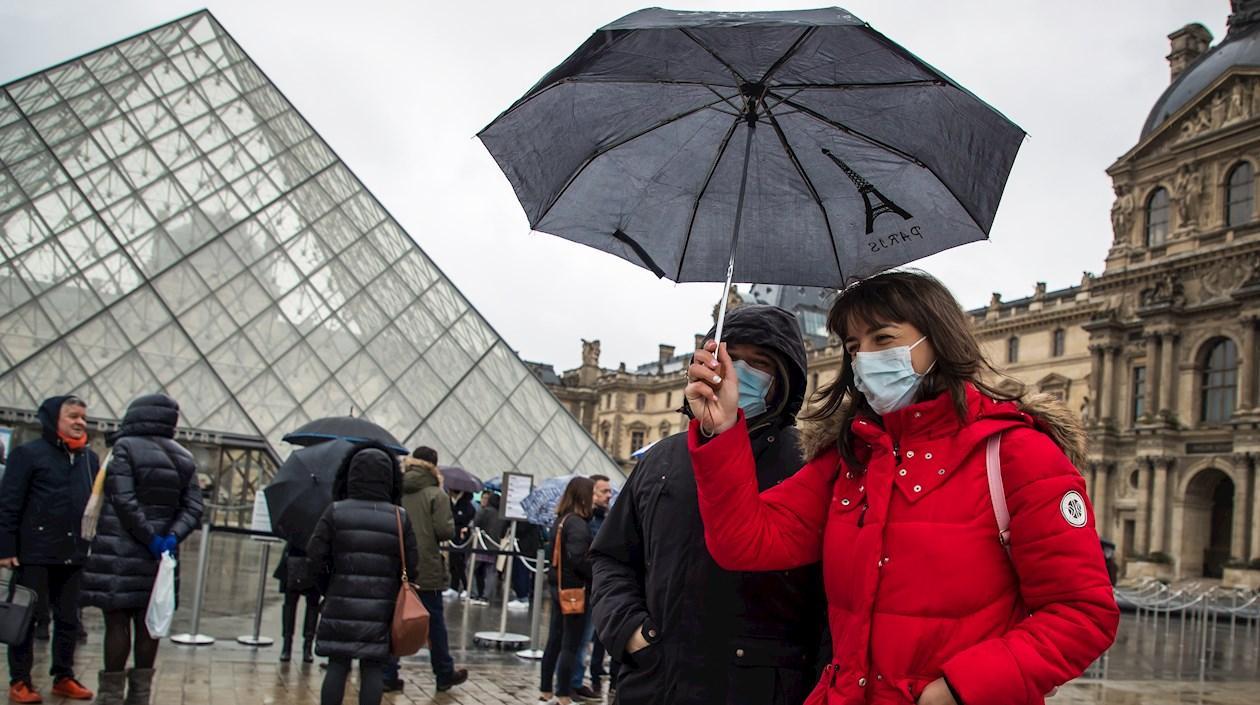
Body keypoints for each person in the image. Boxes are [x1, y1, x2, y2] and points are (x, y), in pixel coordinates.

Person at [684, 271, 1120, 705]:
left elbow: (1083, 613)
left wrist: (959, 688)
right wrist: (722, 432)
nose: (865, 358)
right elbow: (745, 541)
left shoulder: (1018, 455)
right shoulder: (849, 458)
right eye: (853, 347)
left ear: (937, 340)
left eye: (883, 339)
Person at [591, 305, 828, 705]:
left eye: (760, 364)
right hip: (655, 683)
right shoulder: (660, 459)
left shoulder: (810, 466)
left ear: (784, 381)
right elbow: (610, 558)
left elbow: (833, 603)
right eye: (731, 359)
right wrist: (632, 632)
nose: (739, 374)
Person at [80, 393, 204, 705]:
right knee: (150, 623)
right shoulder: (184, 457)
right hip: (162, 557)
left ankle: (110, 696)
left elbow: (123, 499)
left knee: (118, 620)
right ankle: (140, 697)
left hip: (121, 549)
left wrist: (146, 535)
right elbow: (193, 508)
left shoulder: (124, 448)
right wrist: (170, 537)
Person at [0, 396, 100, 703]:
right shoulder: (27, 455)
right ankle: (20, 680)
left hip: (73, 552)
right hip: (34, 551)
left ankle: (63, 676)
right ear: (53, 419)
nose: (79, 421)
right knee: (26, 618)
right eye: (72, 416)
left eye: (82, 416)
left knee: (69, 618)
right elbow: (8, 504)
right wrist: (5, 547)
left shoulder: (88, 459)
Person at [308, 444, 418, 705]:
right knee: (373, 668)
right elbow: (412, 566)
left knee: (337, 665)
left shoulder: (335, 511)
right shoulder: (399, 517)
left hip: (340, 601)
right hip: (382, 607)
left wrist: (329, 587)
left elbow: (315, 558)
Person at [384, 447, 468, 693]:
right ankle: (443, 672)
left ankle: (388, 673)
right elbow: (444, 531)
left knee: (394, 617)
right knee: (434, 622)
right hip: (426, 565)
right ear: (434, 465)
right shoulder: (436, 494)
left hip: (396, 562)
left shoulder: (395, 489)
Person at [539, 477, 595, 705]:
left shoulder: (561, 520)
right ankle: (563, 694)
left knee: (554, 640)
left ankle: (545, 691)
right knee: (570, 644)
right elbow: (579, 558)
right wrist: (596, 569)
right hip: (575, 590)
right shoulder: (578, 524)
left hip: (558, 587)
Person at [570, 475, 613, 698]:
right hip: (588, 584)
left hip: (602, 585)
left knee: (596, 635)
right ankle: (574, 682)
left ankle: (586, 676)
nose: (609, 495)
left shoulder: (606, 517)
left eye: (609, 491)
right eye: (604, 491)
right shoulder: (585, 521)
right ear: (592, 493)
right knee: (582, 637)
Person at [272, 541, 320, 663]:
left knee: (312, 606)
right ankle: (287, 645)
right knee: (290, 605)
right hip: (295, 558)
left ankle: (307, 646)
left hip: (315, 561)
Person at [472, 492, 505, 604]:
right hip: (494, 546)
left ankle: (474, 593)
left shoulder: (484, 511)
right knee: (491, 571)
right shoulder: (501, 515)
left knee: (471, 569)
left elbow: (476, 523)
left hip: (481, 545)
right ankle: (486, 596)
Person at [448, 489, 476, 596]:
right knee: (453, 562)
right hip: (453, 536)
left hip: (462, 537)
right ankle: (453, 586)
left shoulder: (467, 506)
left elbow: (464, 518)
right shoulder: (452, 503)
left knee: (461, 563)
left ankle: (465, 586)